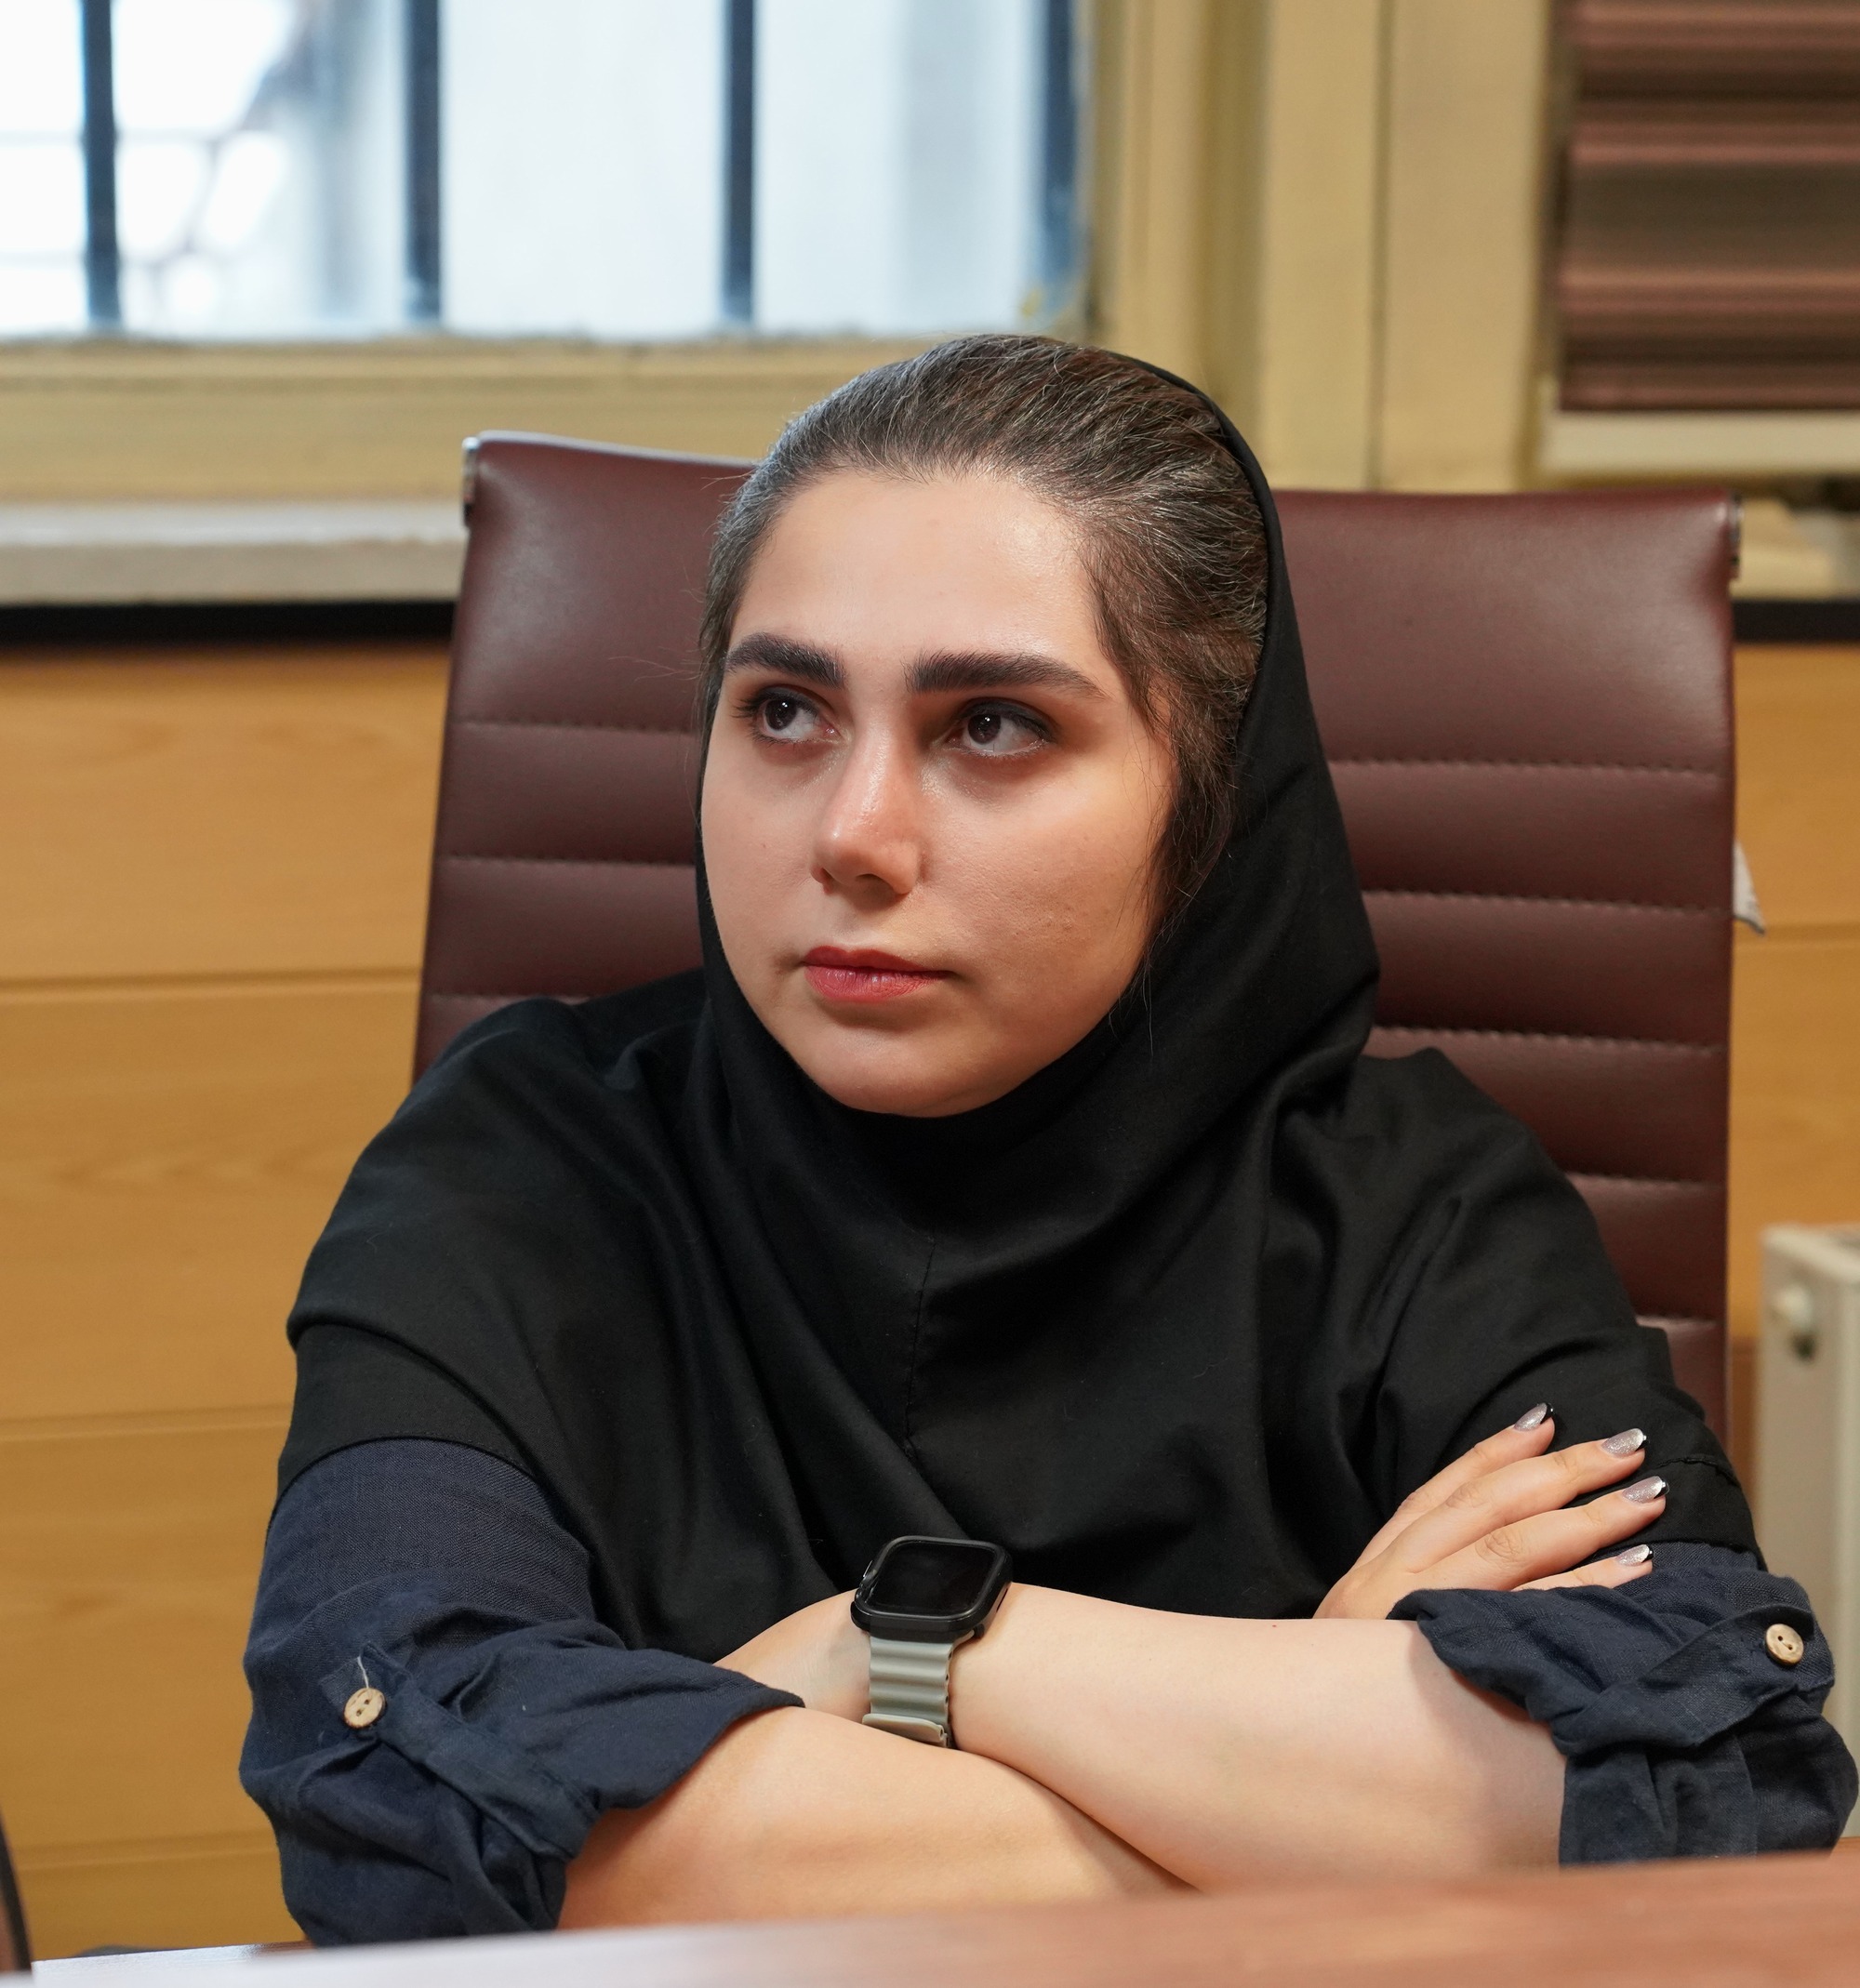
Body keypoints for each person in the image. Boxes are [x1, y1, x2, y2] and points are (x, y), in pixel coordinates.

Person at [242, 336, 1854, 1944]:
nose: (854, 835)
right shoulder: (522, 1161)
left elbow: (1716, 1786)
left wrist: (905, 1649)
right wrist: (1296, 1743)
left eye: (995, 725)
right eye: (786, 709)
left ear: (1207, 797)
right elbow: (396, 1794)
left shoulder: (1423, 1205)